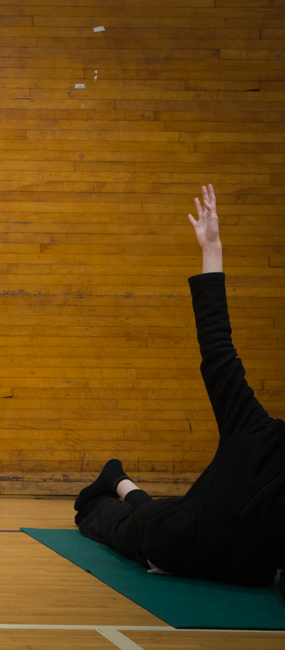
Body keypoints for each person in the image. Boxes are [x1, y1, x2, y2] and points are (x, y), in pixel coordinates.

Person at [74, 184, 285, 595]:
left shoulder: (257, 432)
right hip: (168, 545)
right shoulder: (256, 432)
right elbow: (217, 348)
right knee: (105, 521)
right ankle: (109, 487)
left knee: (162, 511)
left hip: (196, 540)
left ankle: (119, 479)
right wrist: (211, 251)